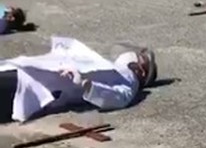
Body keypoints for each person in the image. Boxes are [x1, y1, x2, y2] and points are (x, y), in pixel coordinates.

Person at [0, 37, 156, 124]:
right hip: (34, 74)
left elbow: (120, 98)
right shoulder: (114, 68)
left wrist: (86, 85)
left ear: (142, 71)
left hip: (39, 84)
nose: (135, 53)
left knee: (11, 88)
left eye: (141, 57)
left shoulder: (130, 80)